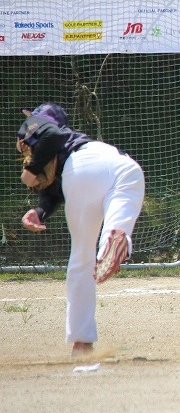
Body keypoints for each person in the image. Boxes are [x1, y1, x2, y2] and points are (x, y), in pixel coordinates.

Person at [17, 102, 145, 358]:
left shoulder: (43, 126)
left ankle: (81, 341)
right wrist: (40, 211)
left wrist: (30, 170)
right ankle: (114, 244)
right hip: (126, 167)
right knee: (117, 224)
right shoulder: (69, 146)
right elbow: (55, 193)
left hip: (82, 167)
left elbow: (52, 135)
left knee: (81, 257)